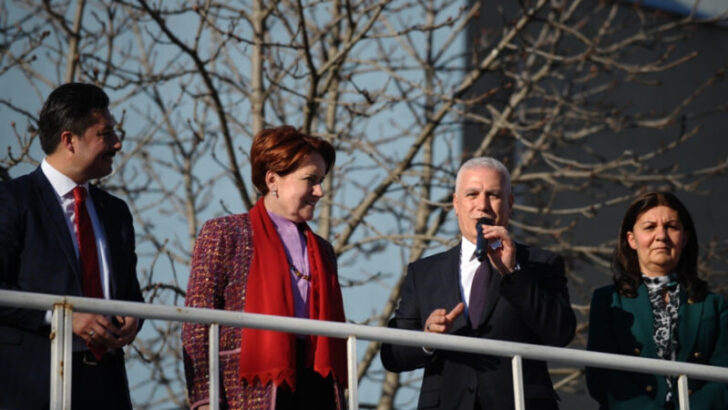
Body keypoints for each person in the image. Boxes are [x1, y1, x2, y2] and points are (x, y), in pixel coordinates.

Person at [380, 157, 576, 410]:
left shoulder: (541, 264)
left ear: (510, 203)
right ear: (456, 203)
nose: (482, 206)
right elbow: (392, 354)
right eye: (472, 194)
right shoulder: (424, 272)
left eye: (493, 195)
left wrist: (513, 273)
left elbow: (560, 333)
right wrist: (427, 339)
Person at [182, 126, 347, 409]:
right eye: (310, 180)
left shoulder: (323, 250)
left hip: (315, 386)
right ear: (273, 180)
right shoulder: (225, 233)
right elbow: (198, 322)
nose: (319, 191)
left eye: (321, 181)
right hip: (251, 386)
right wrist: (205, 398)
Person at [0, 83, 144, 409]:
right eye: (105, 134)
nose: (117, 143)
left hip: (106, 384)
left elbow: (130, 293)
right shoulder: (12, 202)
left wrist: (134, 315)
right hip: (34, 384)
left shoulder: (115, 211)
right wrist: (63, 317)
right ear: (69, 140)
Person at [586, 192, 728, 409]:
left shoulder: (713, 305)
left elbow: (723, 376)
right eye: (650, 227)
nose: (661, 235)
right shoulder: (608, 301)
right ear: (631, 239)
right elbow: (602, 376)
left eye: (671, 226)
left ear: (685, 238)